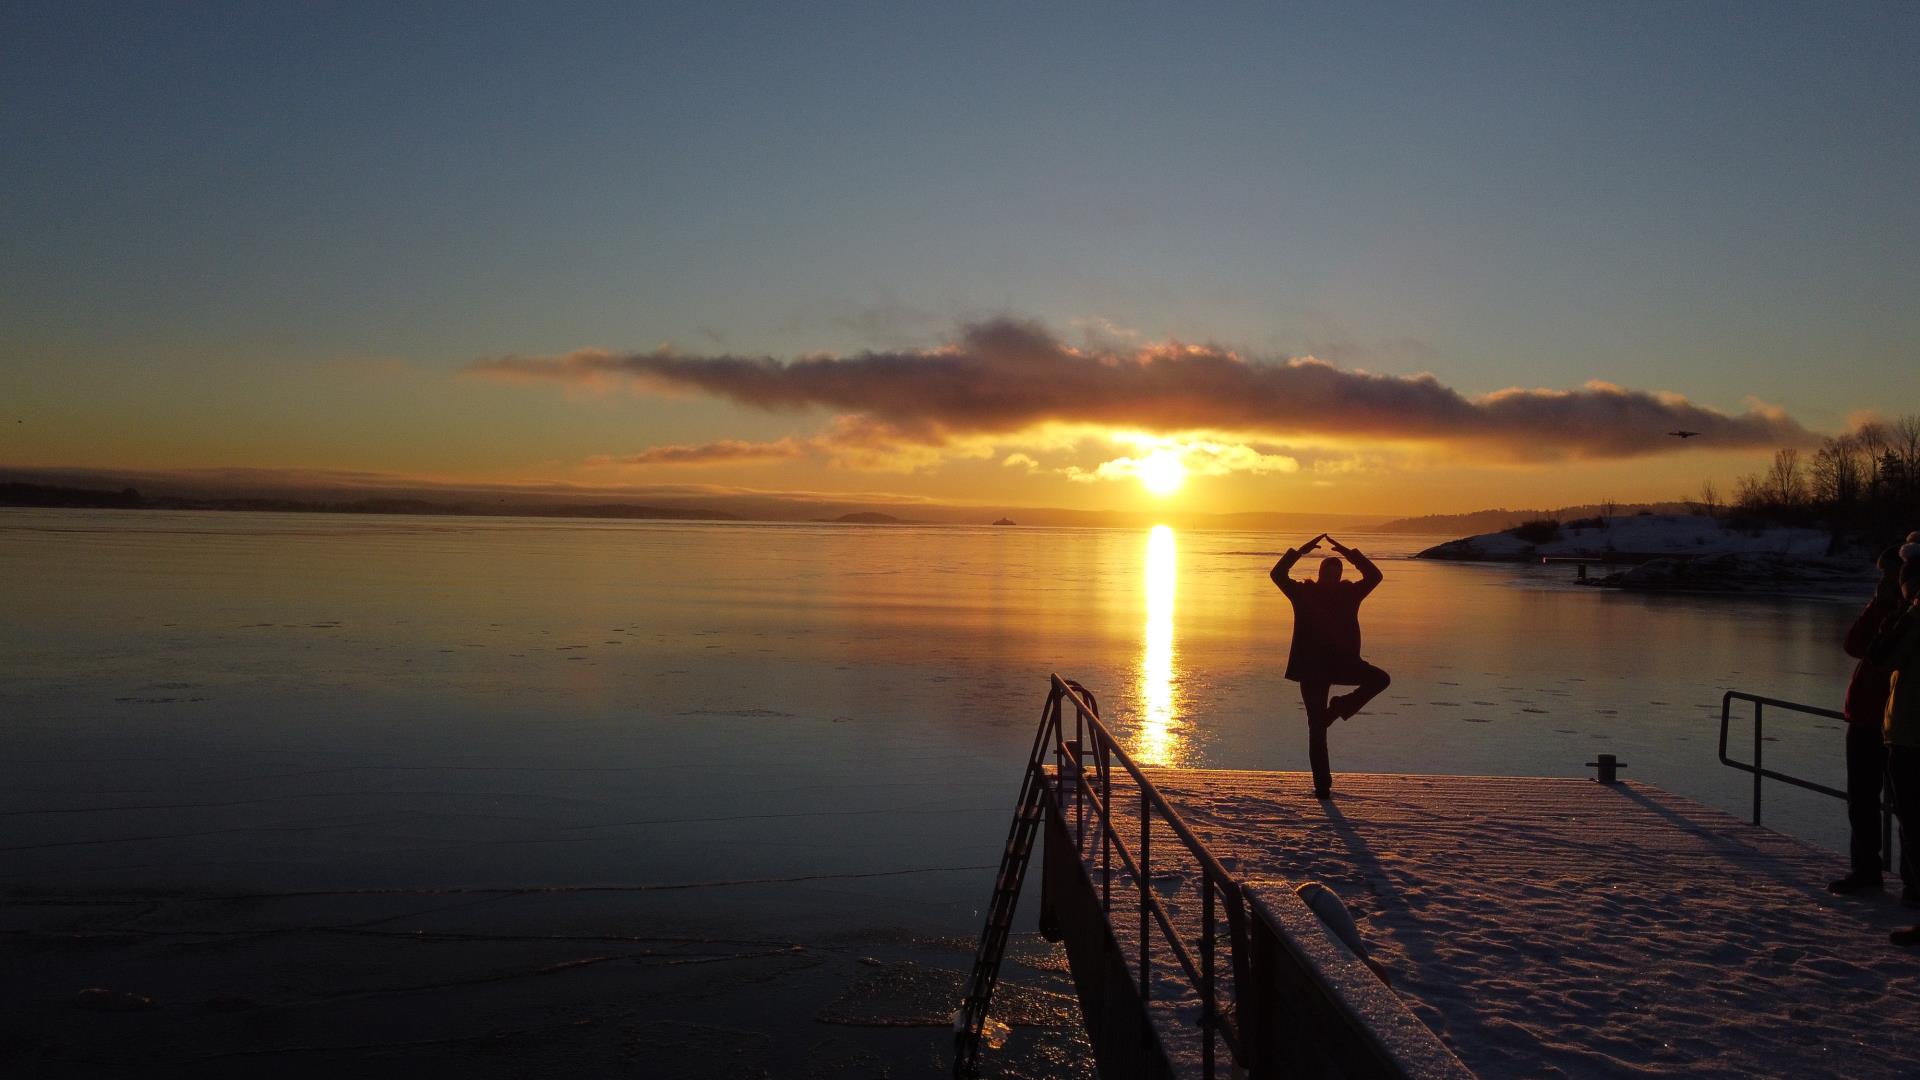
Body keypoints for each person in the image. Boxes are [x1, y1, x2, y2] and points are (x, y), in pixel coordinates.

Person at [1271, 533, 1391, 799]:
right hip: (1312, 670)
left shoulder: (1349, 593)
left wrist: (1350, 555)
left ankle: (1339, 706)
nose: (1332, 578)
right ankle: (1322, 787)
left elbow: (1375, 576)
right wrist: (1299, 552)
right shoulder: (1304, 593)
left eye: (1337, 574)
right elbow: (1277, 575)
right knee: (1317, 727)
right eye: (1329, 573)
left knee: (1381, 679)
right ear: (1321, 573)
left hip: (1342, 664)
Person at [1830, 545, 1906, 895]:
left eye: (1890, 575)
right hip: (1865, 719)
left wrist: (1890, 608)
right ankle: (1866, 871)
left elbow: (1876, 653)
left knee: (1907, 805)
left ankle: (1912, 882)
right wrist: (1879, 605)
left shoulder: (1910, 616)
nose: (1883, 581)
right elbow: (1854, 644)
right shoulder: (1884, 609)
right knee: (1862, 800)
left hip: (1899, 725)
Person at [1873, 558, 1920, 947]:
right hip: (1906, 735)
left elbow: (1880, 656)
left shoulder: (1914, 621)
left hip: (1911, 738)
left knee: (1915, 825)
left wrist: (1899, 615)